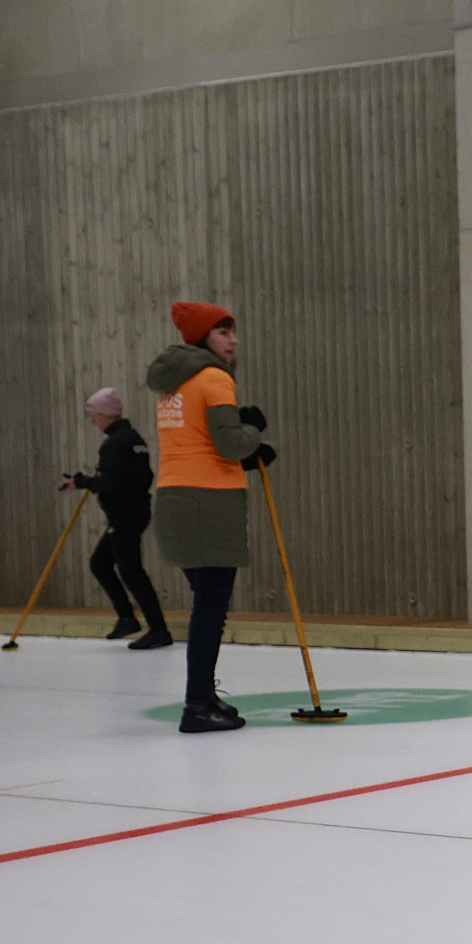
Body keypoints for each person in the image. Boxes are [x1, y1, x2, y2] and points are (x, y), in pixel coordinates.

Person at [145, 301, 274, 733]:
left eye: (232, 331)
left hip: (174, 497)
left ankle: (203, 695)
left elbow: (197, 441)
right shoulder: (214, 377)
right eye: (223, 332)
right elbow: (230, 444)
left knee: (207, 601)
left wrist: (249, 449)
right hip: (209, 500)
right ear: (203, 337)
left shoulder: (173, 382)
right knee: (210, 608)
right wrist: (253, 428)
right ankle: (198, 705)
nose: (233, 340)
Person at [63, 387, 171, 648]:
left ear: (105, 414)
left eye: (94, 414)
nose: (92, 420)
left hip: (125, 515)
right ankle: (127, 618)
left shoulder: (115, 443)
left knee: (131, 571)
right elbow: (143, 477)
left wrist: (81, 482)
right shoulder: (134, 439)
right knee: (100, 564)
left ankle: (158, 629)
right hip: (134, 511)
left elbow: (110, 483)